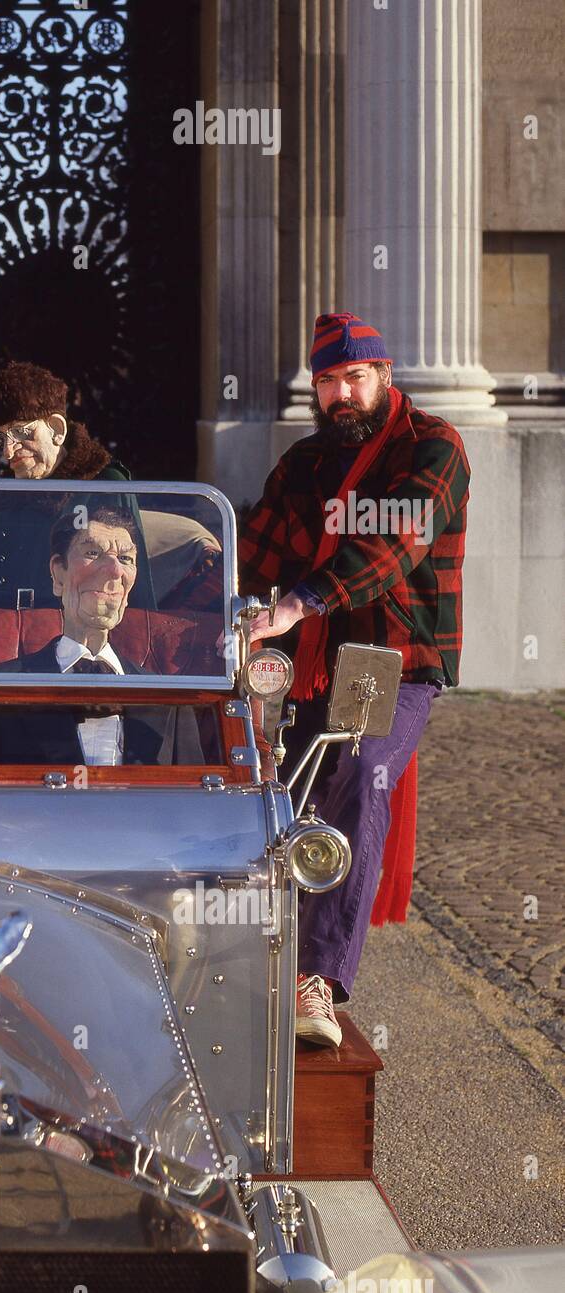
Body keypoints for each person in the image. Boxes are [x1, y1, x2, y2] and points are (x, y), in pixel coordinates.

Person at [240, 312, 470, 1048]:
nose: (343, 393)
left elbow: (393, 545)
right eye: (329, 380)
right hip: (310, 656)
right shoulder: (303, 463)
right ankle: (250, 959)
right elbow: (254, 556)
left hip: (395, 658)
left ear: (384, 375)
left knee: (362, 771)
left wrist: (297, 601)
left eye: (355, 377)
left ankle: (317, 980)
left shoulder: (432, 446)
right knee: (285, 793)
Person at [0, 507, 206, 766]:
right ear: (58, 574)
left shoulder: (168, 700)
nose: (114, 570)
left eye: (125, 558)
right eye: (92, 553)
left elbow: (196, 802)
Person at [0, 360, 157, 610]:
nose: (7, 451)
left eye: (20, 433)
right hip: (5, 637)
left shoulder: (105, 484)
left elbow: (134, 583)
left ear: (57, 430)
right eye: (0, 438)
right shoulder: (1, 495)